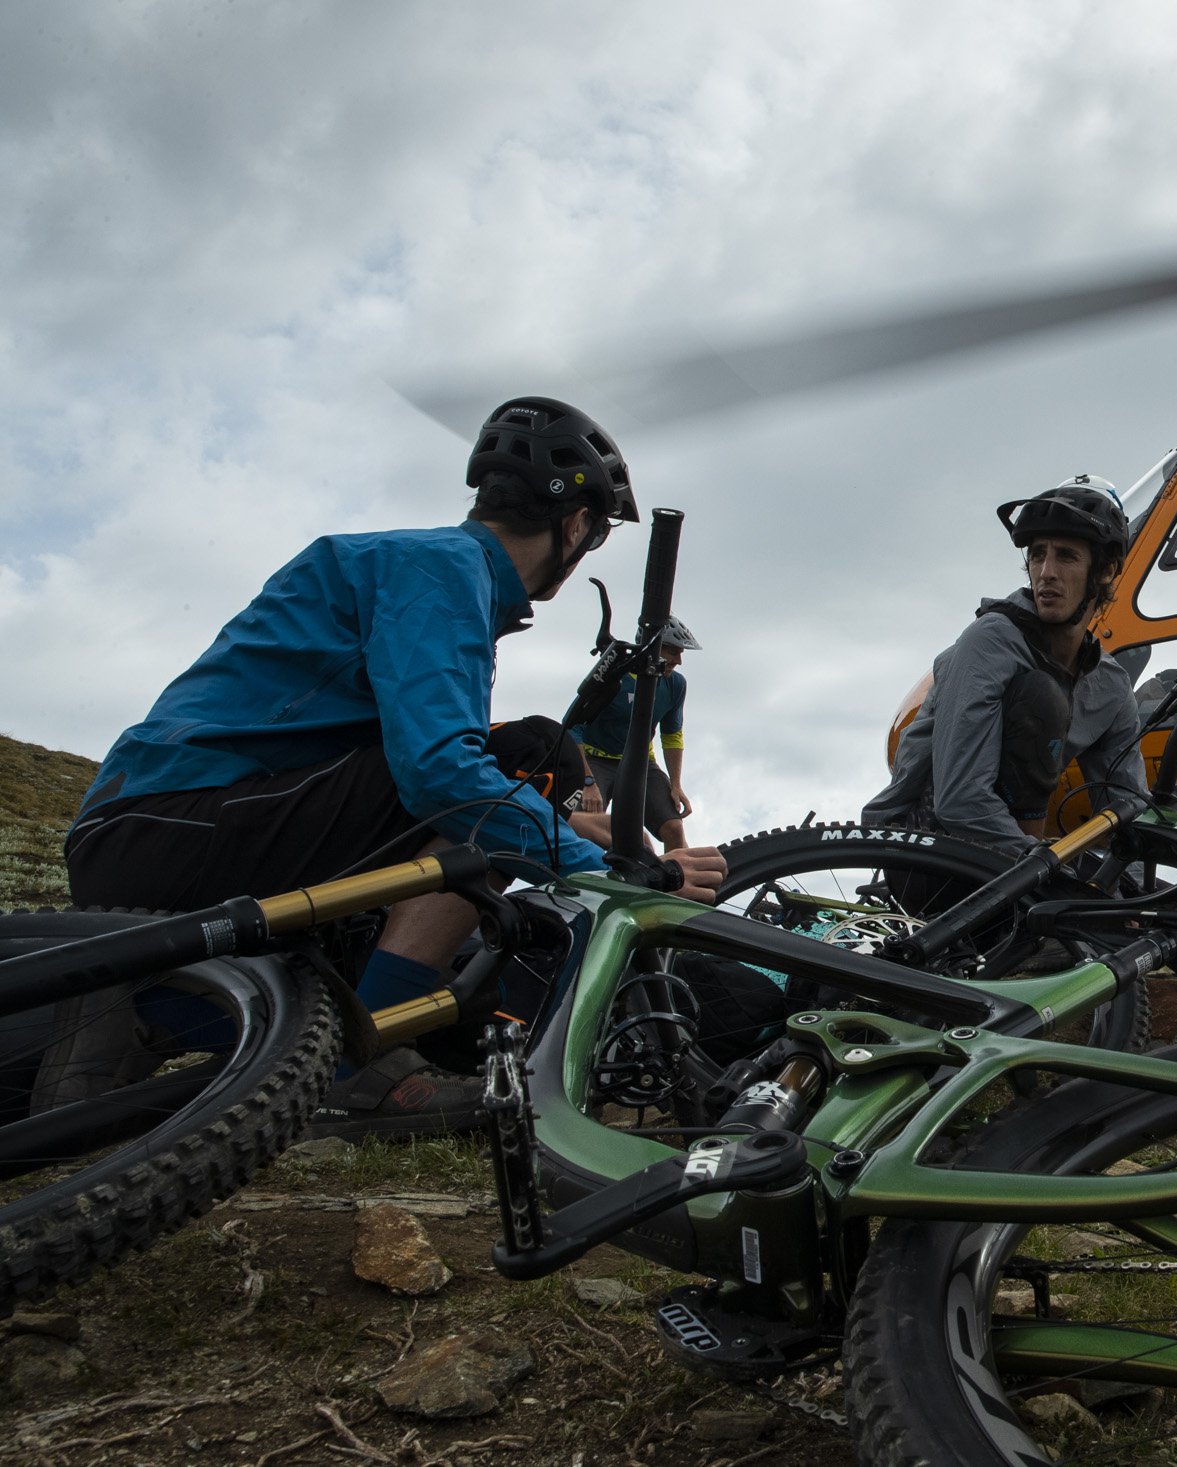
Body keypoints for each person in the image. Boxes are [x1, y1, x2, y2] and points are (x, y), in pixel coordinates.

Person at [63, 397, 728, 1135]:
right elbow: (442, 770)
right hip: (170, 826)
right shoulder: (443, 569)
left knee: (506, 780)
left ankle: (156, 1010)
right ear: (575, 525)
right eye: (593, 535)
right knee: (525, 755)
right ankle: (360, 1063)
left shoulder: (420, 566)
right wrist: (588, 867)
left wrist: (586, 834)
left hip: (155, 829)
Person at [864, 475, 1149, 850]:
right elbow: (960, 802)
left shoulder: (1108, 684)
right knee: (1041, 695)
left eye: (1066, 556)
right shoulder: (991, 641)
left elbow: (1127, 808)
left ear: (1106, 571)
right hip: (925, 845)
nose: (1046, 572)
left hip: (1011, 853)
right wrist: (1043, 866)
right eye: (1037, 554)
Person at [579, 614, 698, 850]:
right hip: (594, 760)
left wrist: (676, 784)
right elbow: (572, 729)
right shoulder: (613, 675)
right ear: (652, 647)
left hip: (639, 761)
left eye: (681, 652)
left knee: (674, 828)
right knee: (589, 827)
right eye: (673, 651)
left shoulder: (675, 684)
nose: (679, 660)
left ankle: (677, 884)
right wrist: (587, 781)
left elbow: (672, 735)